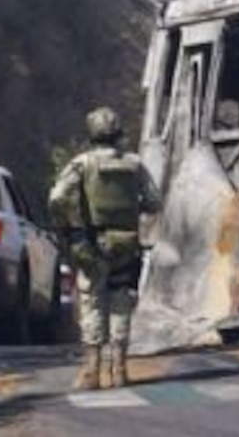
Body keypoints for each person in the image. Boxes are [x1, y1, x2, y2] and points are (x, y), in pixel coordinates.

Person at [49, 106, 161, 391]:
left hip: (91, 244)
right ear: (118, 133)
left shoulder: (81, 164)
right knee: (121, 302)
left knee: (92, 302)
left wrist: (70, 225)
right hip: (126, 244)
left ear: (91, 134)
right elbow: (153, 202)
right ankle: (119, 370)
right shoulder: (134, 165)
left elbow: (57, 197)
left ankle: (91, 372)